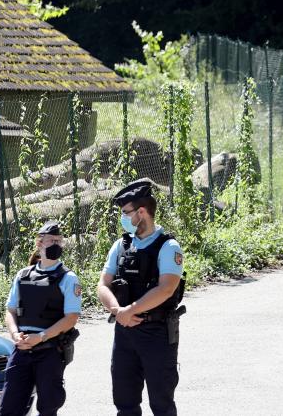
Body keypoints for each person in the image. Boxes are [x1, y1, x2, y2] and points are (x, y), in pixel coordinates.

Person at [97, 178, 186, 416]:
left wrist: (130, 310)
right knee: (125, 403)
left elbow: (166, 288)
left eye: (126, 213)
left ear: (142, 212)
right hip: (125, 332)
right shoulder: (121, 245)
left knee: (161, 404)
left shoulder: (168, 247)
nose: (123, 218)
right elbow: (102, 285)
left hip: (156, 334)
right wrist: (118, 311)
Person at [0, 221, 82, 416]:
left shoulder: (68, 278)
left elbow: (71, 318)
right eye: (51, 240)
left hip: (49, 351)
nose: (56, 244)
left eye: (59, 241)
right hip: (22, 349)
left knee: (48, 408)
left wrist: (41, 336)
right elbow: (10, 310)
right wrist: (15, 335)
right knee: (9, 407)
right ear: (39, 243)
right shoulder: (23, 275)